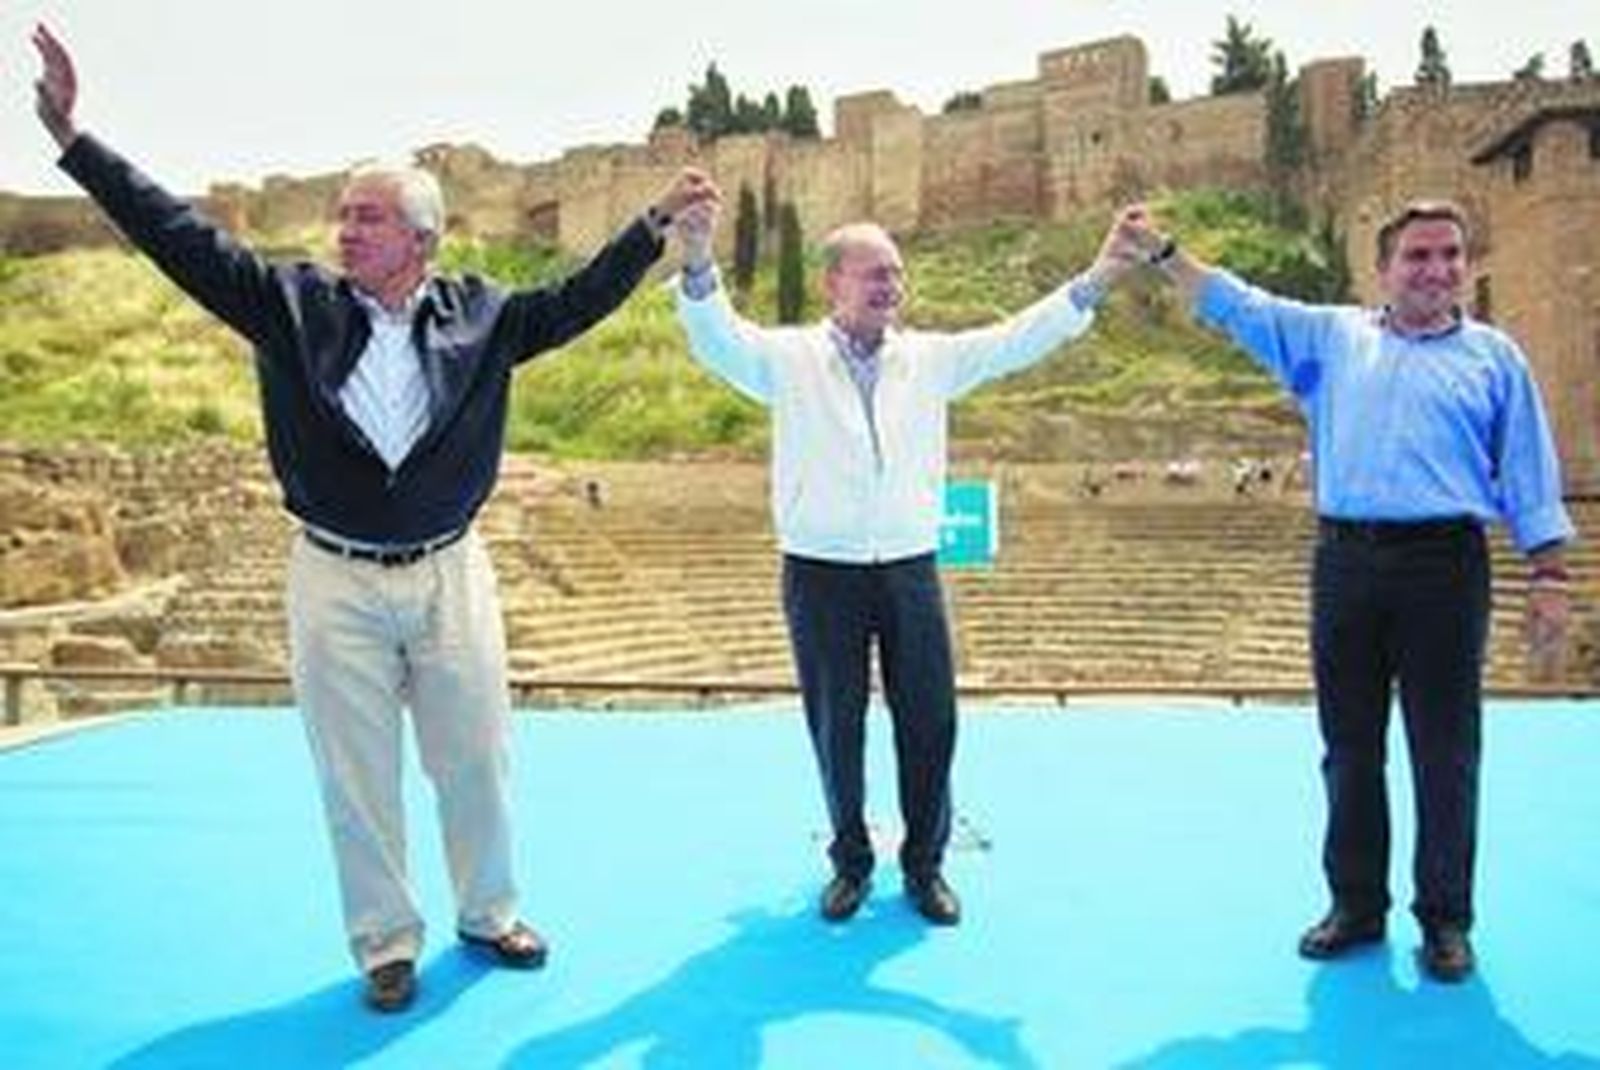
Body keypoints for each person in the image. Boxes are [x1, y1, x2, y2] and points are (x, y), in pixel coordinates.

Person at [29, 24, 718, 1012]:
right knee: (355, 774)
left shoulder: (485, 317)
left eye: (368, 218)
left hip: (449, 571)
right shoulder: (287, 302)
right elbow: (176, 236)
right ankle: (386, 941)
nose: (344, 231)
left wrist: (652, 225)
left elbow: (579, 299)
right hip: (332, 573)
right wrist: (74, 136)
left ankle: (489, 911)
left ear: (422, 242)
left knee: (476, 752)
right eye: (342, 216)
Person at [1115, 199, 1574, 981]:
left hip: (1445, 566)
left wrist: (1550, 576)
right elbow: (1238, 304)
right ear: (1383, 268)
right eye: (1418, 256)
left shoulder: (1496, 358)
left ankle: (1445, 919)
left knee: (1447, 752)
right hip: (1347, 564)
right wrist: (1163, 253)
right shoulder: (1331, 338)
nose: (1437, 270)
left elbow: (1529, 471)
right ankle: (1357, 906)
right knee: (1349, 749)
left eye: (1451, 255)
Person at [672, 201, 1138, 926]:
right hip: (820, 567)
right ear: (833, 284)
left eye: (897, 273)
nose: (891, 285)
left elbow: (1018, 338)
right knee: (837, 725)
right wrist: (699, 258)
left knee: (931, 720)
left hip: (910, 567)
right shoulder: (788, 358)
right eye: (874, 274)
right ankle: (851, 862)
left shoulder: (932, 359)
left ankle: (925, 866)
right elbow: (719, 341)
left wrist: (1101, 273)